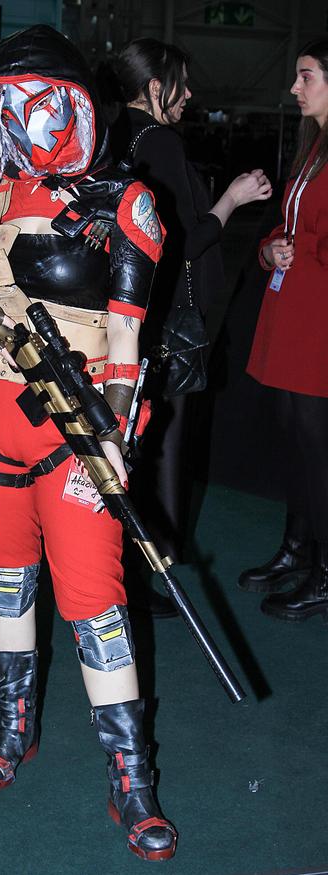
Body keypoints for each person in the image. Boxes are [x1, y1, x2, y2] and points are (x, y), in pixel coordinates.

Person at [0, 25, 178, 861]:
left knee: (96, 602)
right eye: (12, 103)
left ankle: (131, 777)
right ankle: (13, 727)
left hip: (74, 426)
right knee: (6, 586)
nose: (30, 119)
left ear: (77, 103)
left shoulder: (122, 202)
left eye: (44, 101)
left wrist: (115, 429)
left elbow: (127, 339)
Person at [109, 39, 272, 614]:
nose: (190, 94)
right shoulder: (159, 140)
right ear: (156, 86)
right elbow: (184, 238)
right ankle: (148, 573)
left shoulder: (114, 135)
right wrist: (232, 198)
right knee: (163, 449)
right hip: (166, 324)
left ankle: (119, 570)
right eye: (181, 82)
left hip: (127, 314)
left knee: (128, 442)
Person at [239, 39, 328, 622]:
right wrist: (273, 247)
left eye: (306, 76)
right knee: (296, 442)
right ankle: (299, 549)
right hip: (294, 314)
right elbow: (289, 223)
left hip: (318, 321)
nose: (294, 87)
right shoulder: (313, 146)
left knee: (317, 448)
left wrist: (303, 249)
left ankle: (325, 571)